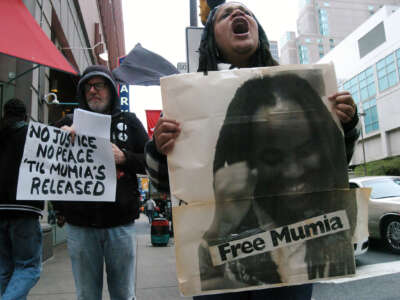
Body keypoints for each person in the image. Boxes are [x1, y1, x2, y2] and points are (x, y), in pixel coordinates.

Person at [145, 2, 359, 299]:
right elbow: (162, 186)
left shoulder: (296, 89)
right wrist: (158, 148)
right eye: (225, 14)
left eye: (245, 11)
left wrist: (345, 126)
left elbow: (335, 166)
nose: (238, 14)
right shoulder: (188, 104)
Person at [54, 65, 149, 300]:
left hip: (120, 225)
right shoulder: (67, 122)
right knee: (87, 295)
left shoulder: (129, 122)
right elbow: (49, 170)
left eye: (100, 85)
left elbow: (151, 161)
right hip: (81, 226)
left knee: (123, 294)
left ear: (111, 89)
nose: (93, 90)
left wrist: (124, 157)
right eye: (88, 86)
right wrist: (60, 141)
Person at [0, 98, 44, 300]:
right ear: (25, 116)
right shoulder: (33, 135)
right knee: (28, 268)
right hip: (24, 209)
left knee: (5, 269)